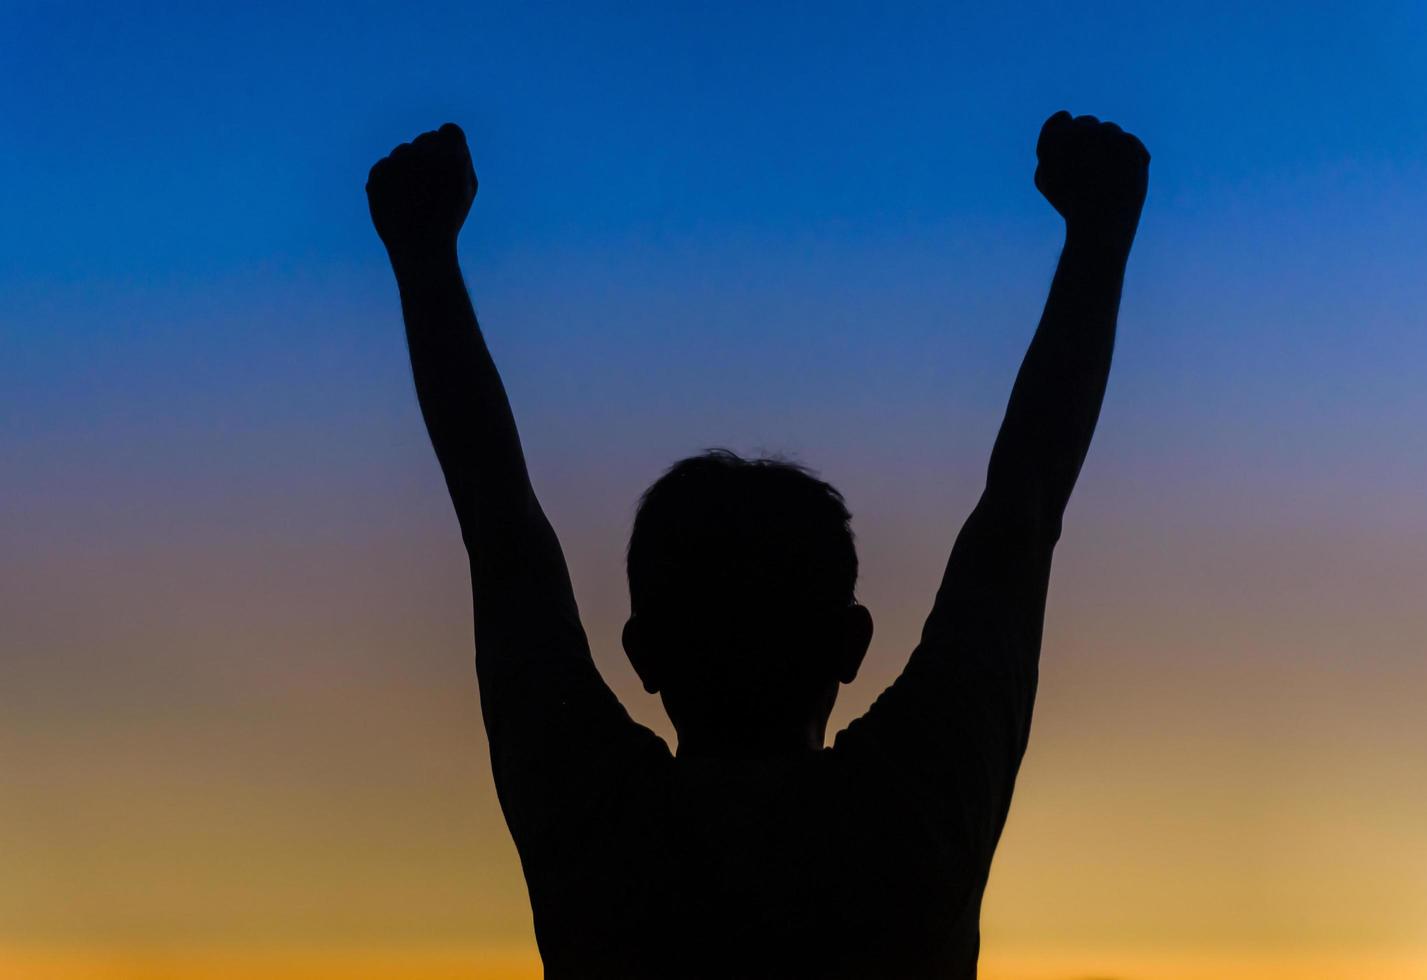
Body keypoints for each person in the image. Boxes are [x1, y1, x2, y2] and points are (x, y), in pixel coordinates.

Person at [367, 109, 1148, 979]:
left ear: (644, 653)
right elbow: (1021, 514)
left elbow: (500, 529)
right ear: (851, 645)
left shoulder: (596, 826)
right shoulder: (914, 811)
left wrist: (424, 255)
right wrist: (1101, 234)